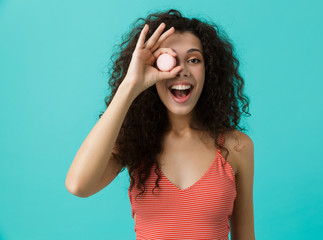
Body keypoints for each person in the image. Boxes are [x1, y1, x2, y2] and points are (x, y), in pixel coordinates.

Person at [65, 9, 255, 240]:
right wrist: (130, 85)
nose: (181, 70)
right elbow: (78, 186)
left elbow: (245, 236)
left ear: (209, 70)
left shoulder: (236, 146)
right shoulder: (135, 142)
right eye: (170, 60)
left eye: (193, 60)